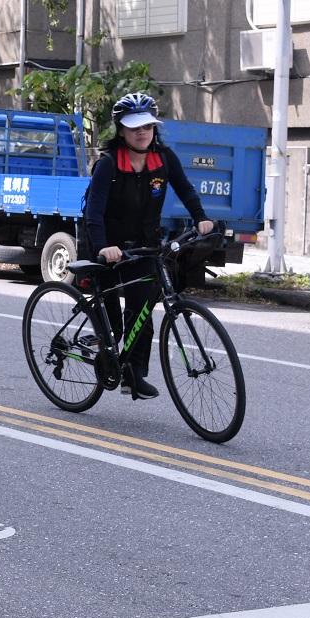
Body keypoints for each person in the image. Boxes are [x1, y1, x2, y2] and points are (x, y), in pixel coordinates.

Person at [80, 93, 214, 399]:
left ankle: (133, 374)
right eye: (134, 127)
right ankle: (103, 351)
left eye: (148, 126)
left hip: (144, 246)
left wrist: (201, 217)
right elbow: (94, 213)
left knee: (141, 312)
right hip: (106, 245)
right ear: (121, 130)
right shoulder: (108, 164)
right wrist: (102, 247)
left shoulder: (164, 158)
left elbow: (186, 190)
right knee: (112, 325)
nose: (142, 132)